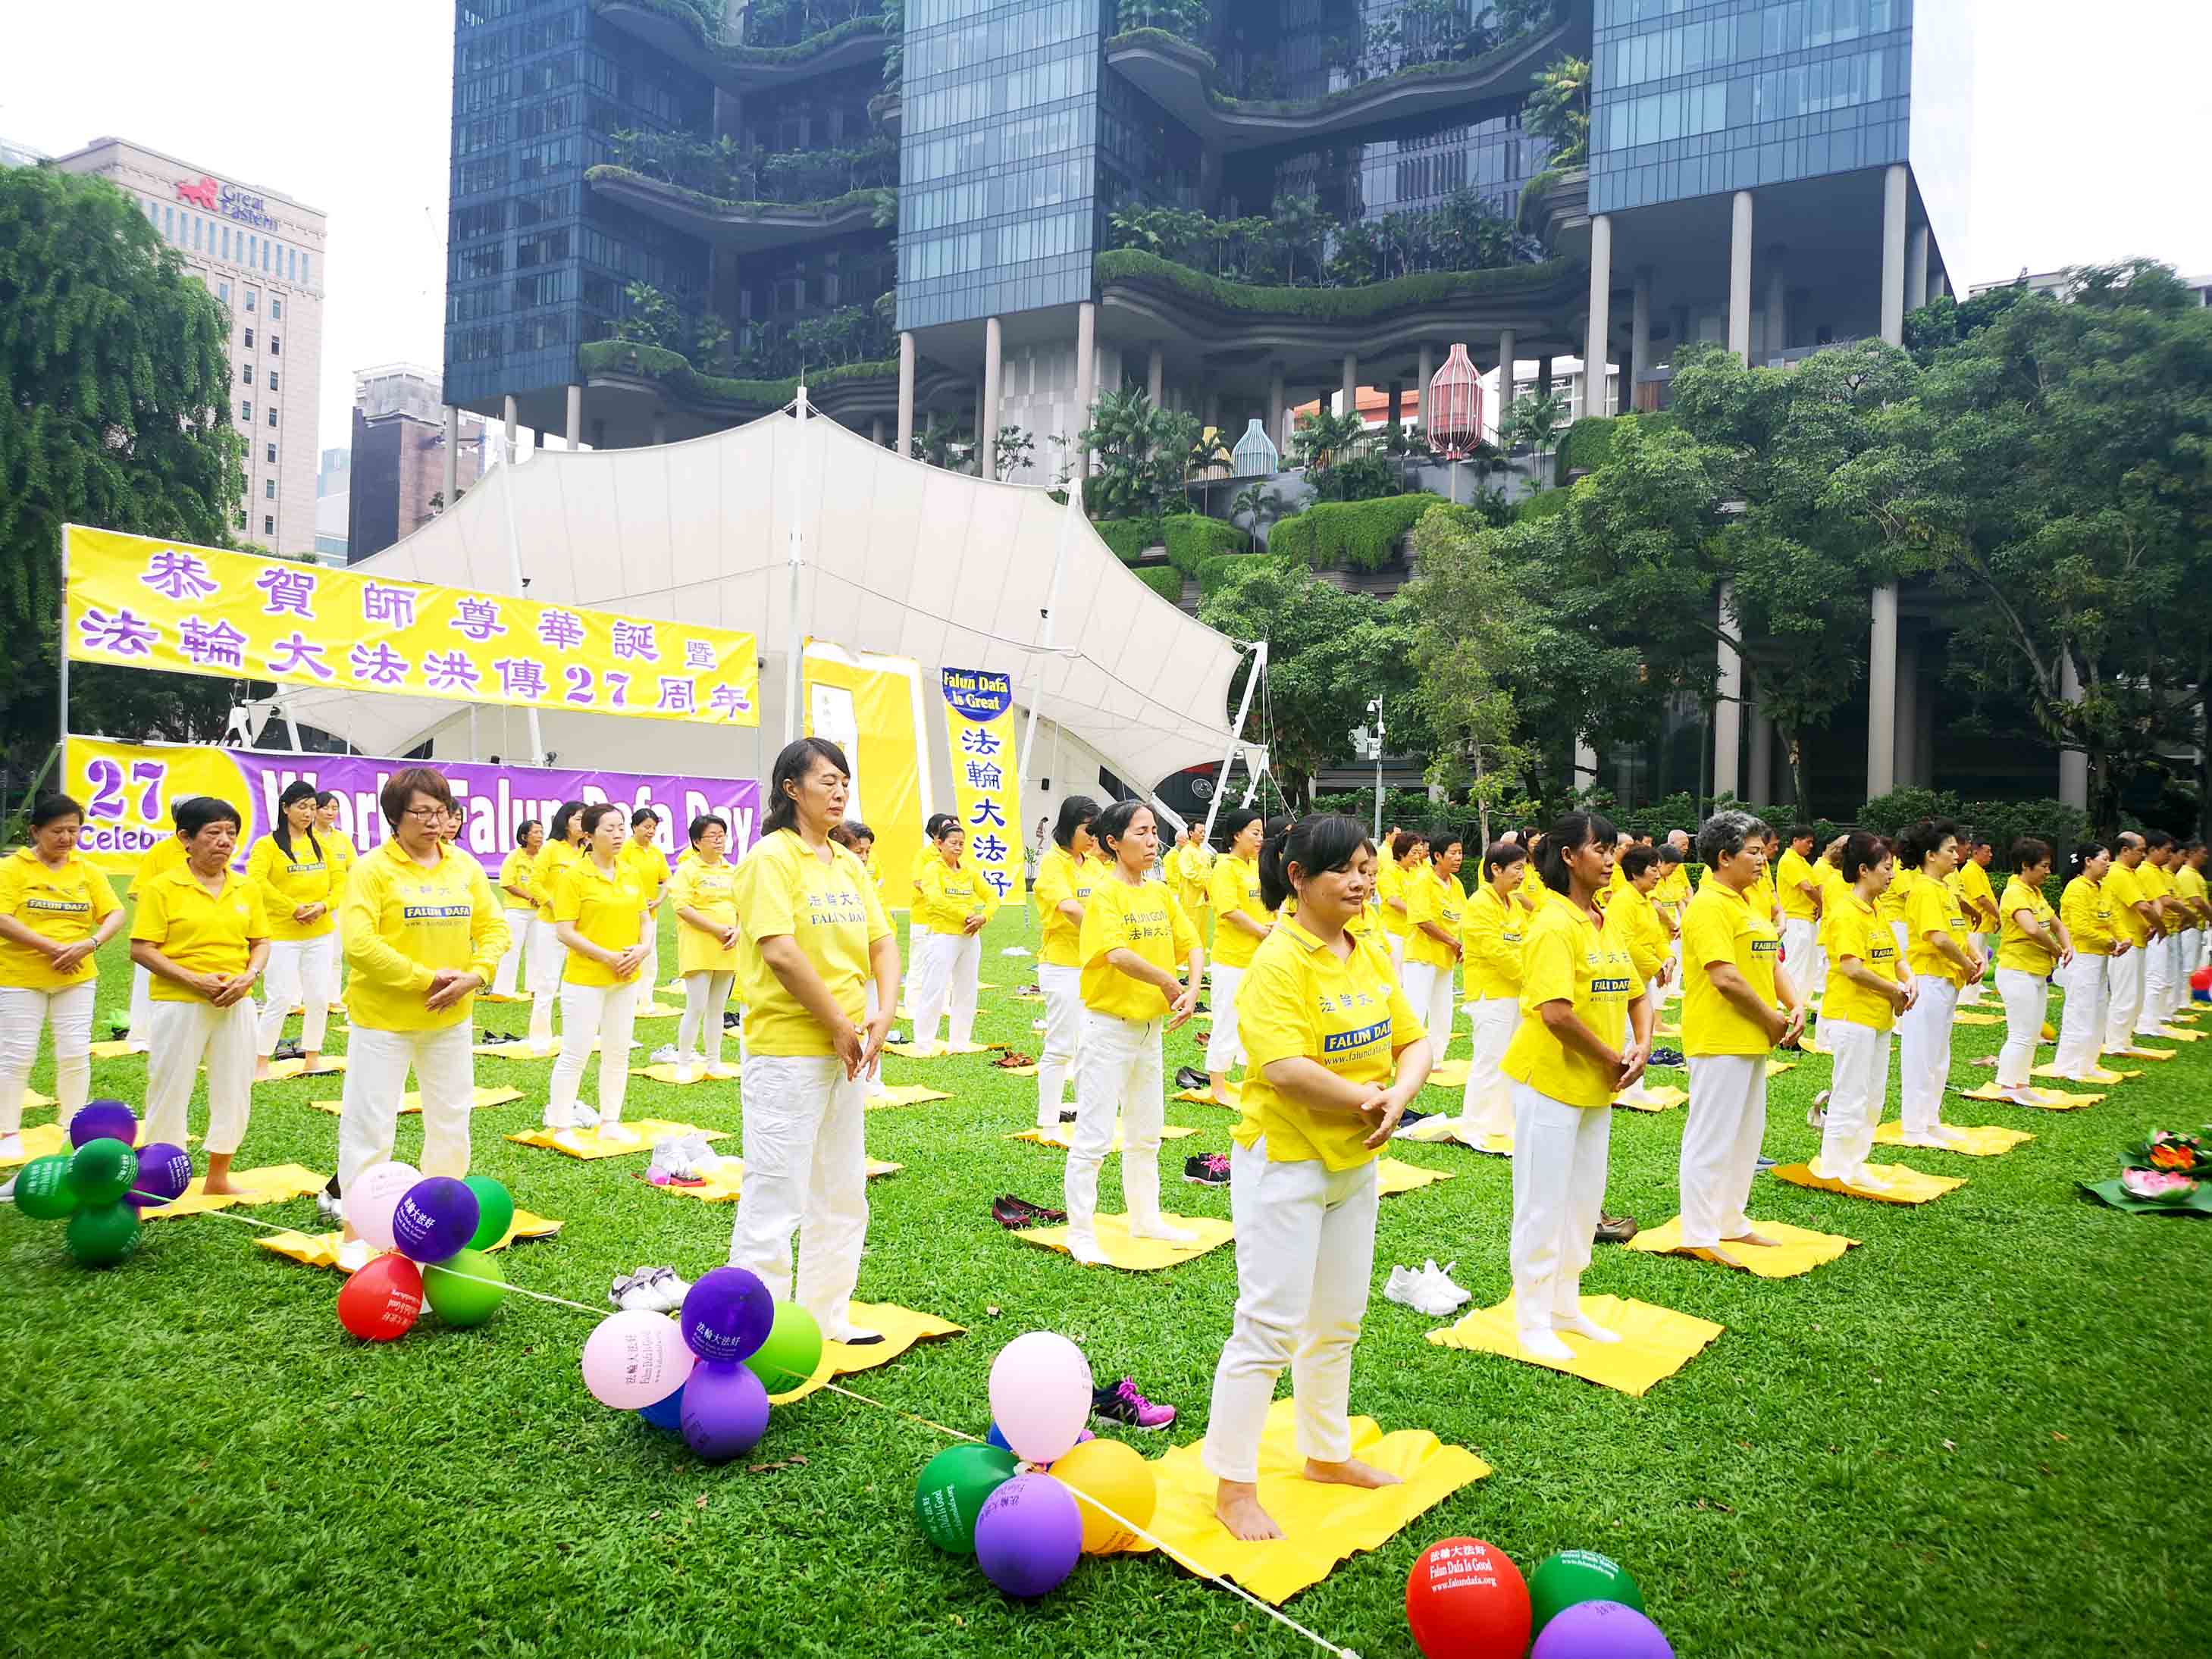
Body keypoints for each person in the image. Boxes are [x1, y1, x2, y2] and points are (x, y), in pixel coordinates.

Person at [1204, 813, 1434, 1542]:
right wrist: (1372, 1099)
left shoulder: (1365, 949)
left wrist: (1398, 1095)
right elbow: (1284, 1069)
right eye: (1346, 869)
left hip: (1356, 1161)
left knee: (1337, 1321)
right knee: (1268, 1326)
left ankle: (1326, 1454)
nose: (1364, 881)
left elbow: (1414, 1039)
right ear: (1298, 877)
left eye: (1370, 866)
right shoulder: (1278, 961)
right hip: (1287, 1161)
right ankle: (1234, 1485)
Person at [727, 737, 900, 1344]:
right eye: (826, 780)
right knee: (775, 1195)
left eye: (844, 781)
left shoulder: (848, 863)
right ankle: (759, 1331)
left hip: (847, 1046)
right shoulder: (769, 859)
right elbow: (779, 950)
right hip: (789, 1049)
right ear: (790, 788)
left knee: (841, 1188)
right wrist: (837, 1022)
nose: (839, 791)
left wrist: (883, 1010)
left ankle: (827, 1313)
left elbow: (882, 941)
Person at [332, 770, 509, 1269]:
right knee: (370, 1124)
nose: (436, 823)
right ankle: (357, 1228)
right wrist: (423, 977)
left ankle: (439, 1223)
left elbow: (494, 926)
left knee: (452, 1121)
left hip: (451, 1018)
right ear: (394, 816)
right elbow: (360, 945)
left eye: (443, 812)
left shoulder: (464, 866)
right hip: (383, 1019)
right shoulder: (372, 870)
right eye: (423, 813)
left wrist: (476, 974)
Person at [1502, 812, 1653, 1358]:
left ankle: (1566, 1304)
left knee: (1583, 1201)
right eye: (1601, 849)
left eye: (1614, 849)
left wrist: (1641, 1045)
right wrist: (1616, 1057)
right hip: (1551, 1081)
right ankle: (1532, 1316)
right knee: (1542, 1201)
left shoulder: (1602, 918)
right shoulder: (1552, 924)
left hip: (1598, 1080)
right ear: (1569, 856)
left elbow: (1637, 992)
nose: (1611, 859)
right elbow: (1556, 1014)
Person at [1065, 800, 1205, 1266]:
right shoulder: (1105, 894)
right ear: (1113, 842)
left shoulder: (1160, 893)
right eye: (1141, 833)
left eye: (1153, 832)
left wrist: (1193, 986)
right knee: (1095, 1136)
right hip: (1108, 1029)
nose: (1152, 841)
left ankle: (1145, 1216)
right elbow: (1116, 954)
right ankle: (1081, 1233)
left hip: (1149, 1031)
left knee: (1146, 1132)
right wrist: (1169, 983)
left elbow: (1192, 943)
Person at [1678, 811, 1803, 1264]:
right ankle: (1699, 1230)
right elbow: (1725, 978)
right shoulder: (1709, 906)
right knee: (1711, 1136)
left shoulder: (1748, 903)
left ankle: (1731, 1220)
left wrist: (1794, 1005)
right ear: (1724, 857)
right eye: (1752, 852)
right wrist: (1771, 1018)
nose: (1762, 860)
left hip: (1753, 1035)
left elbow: (1770, 961)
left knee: (1747, 1135)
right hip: (1720, 1036)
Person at [130, 796, 271, 1197]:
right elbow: (142, 949)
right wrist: (195, 981)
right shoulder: (163, 888)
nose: (225, 841)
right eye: (213, 833)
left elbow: (260, 941)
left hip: (236, 1000)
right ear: (186, 839)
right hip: (180, 1001)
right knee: (169, 1086)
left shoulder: (246, 887)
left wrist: (249, 977)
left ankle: (218, 1176)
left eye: (231, 833)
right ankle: (158, 1176)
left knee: (234, 1086)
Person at [0, 795, 122, 1163]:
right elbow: (4, 919)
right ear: (35, 831)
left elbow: (115, 913)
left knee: (73, 1053)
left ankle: (74, 1128)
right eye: (58, 831)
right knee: (17, 1056)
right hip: (20, 976)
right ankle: (8, 1131)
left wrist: (88, 944)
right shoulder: (13, 868)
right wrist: (54, 948)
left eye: (74, 830)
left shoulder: (86, 870)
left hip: (77, 976)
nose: (67, 838)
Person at [546, 803, 651, 1146]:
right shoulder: (574, 877)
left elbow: (644, 919)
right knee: (576, 1051)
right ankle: (561, 1125)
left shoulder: (631, 872)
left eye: (621, 827)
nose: (618, 834)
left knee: (618, 1051)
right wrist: (607, 957)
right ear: (589, 836)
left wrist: (643, 948)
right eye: (609, 829)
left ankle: (610, 1120)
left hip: (625, 977)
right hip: (586, 978)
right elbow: (566, 931)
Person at [1809, 831, 1910, 1188]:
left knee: (1872, 1097)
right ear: (1864, 870)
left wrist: (1907, 980)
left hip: (1879, 1015)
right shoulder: (1845, 912)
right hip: (1852, 1016)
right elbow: (1852, 968)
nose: (1892, 875)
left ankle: (1856, 1161)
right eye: (1886, 868)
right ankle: (1835, 1166)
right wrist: (1896, 991)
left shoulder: (1876, 909)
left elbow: (1895, 957)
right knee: (1850, 1095)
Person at [1895, 819, 1981, 1149]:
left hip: (1948, 978)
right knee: (1921, 1054)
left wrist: (1974, 954)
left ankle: (1931, 1119)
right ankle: (1914, 1126)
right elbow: (1936, 937)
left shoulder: (1943, 889)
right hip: (1929, 979)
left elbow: (1957, 931)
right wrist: (1968, 963)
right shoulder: (1923, 889)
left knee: (1939, 1054)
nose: (1957, 855)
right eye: (1949, 850)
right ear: (1930, 855)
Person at [247, 780, 340, 1081]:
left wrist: (323, 906)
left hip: (320, 932)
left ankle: (312, 1057)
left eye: (313, 808)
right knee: (281, 997)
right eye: (302, 807)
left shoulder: (322, 845)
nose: (309, 813)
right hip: (282, 934)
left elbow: (342, 883)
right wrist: (292, 908)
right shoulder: (267, 845)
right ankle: (261, 1061)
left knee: (317, 997)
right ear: (285, 808)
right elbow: (257, 882)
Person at [1032, 797, 1101, 1129]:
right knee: (1061, 1045)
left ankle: (1085, 1114)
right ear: (1071, 826)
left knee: (1090, 1045)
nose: (1094, 837)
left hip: (1092, 966)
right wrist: (1106, 931)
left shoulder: (1094, 866)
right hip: (1062, 965)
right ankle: (1048, 1120)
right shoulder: (1052, 863)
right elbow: (1069, 908)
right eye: (1088, 829)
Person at [1991, 838, 2073, 1107]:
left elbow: (2056, 924)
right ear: (2026, 866)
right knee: (2021, 1032)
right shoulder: (2015, 893)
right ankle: (2006, 1085)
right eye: (2044, 866)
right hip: (2017, 970)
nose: (2048, 872)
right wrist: (2056, 949)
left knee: (2033, 1031)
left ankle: (2021, 1083)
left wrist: (2067, 945)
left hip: (2037, 971)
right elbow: (2031, 929)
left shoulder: (2035, 894)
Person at [1457, 840, 1528, 1143]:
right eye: (1517, 869)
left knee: (1510, 1060)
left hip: (1514, 992)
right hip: (1491, 994)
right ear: (1495, 869)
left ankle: (1500, 1122)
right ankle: (1476, 1125)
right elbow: (1495, 951)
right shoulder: (1480, 903)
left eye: (1524, 869)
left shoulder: (1512, 903)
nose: (1522, 875)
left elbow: (1524, 942)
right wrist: (1530, 978)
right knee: (1489, 1060)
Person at [1203, 809, 1270, 1107]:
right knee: (1227, 1019)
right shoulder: (1225, 868)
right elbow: (1228, 910)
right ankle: (1217, 1085)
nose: (1260, 838)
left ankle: (1247, 1080)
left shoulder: (1256, 867)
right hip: (1231, 958)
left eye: (1261, 833)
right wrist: (1259, 930)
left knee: (1254, 1021)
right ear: (1236, 835)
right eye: (1254, 832)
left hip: (1258, 957)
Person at [911, 821, 997, 1051]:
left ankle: (960, 1041)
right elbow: (936, 900)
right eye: (953, 843)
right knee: (934, 988)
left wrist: (984, 917)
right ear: (940, 844)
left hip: (970, 937)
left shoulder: (969, 871)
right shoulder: (932, 869)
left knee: (966, 989)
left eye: (962, 843)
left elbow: (992, 896)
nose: (958, 847)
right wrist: (967, 915)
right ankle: (924, 1041)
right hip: (943, 937)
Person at [669, 813, 741, 1084]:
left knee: (717, 1008)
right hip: (699, 946)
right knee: (696, 1006)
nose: (719, 841)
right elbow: (682, 907)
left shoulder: (731, 870)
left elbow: (741, 906)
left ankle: (714, 1060)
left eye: (722, 835)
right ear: (697, 842)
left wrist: (737, 930)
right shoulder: (688, 870)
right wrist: (716, 929)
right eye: (712, 836)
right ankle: (684, 1061)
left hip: (727, 947)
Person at [1607, 845, 1675, 1107]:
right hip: (1625, 975)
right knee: (1627, 1033)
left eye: (1658, 868)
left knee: (1639, 1033)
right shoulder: (1623, 901)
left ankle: (1634, 1088)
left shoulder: (1645, 901)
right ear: (1635, 873)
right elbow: (1625, 944)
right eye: (1653, 869)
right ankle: (1623, 1087)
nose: (1658, 874)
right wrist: (1656, 966)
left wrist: (1668, 958)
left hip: (1642, 975)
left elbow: (1658, 937)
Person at [828, 820, 886, 1098]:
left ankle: (872, 1078)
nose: (863, 858)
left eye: (867, 852)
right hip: (844, 968)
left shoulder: (866, 882)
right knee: (847, 1022)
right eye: (857, 851)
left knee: (872, 1020)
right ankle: (850, 1076)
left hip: (870, 964)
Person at [2052, 842, 2120, 1081]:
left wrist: (2123, 939)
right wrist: (2108, 941)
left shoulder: (2101, 888)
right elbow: (2080, 928)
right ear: (2088, 861)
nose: (2108, 865)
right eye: (2104, 860)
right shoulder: (2076, 889)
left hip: (2099, 957)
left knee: (2099, 1009)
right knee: (2080, 1010)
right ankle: (2067, 1065)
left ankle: (2087, 1064)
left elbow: (2111, 918)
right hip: (2082, 956)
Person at [121, 818, 188, 1053]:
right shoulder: (161, 852)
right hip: (158, 930)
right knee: (146, 983)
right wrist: (165, 910)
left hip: (190, 933)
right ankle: (140, 1036)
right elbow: (137, 891)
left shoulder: (209, 852)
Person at [525, 801, 587, 1055]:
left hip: (580, 926)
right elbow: (535, 883)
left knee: (579, 982)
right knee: (547, 981)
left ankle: (577, 1035)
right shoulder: (551, 848)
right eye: (577, 819)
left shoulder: (587, 850)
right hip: (551, 924)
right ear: (565, 821)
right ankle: (540, 1037)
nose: (582, 825)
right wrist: (553, 905)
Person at [1401, 829, 1466, 1054]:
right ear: (1438, 856)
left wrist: (1461, 945)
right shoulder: (1422, 880)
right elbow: (1423, 921)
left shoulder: (1456, 883)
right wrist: (1454, 943)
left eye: (1460, 853)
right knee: (1415, 1009)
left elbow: (1463, 917)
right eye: (1454, 853)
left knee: (1442, 1010)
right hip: (1422, 955)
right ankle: (1409, 1056)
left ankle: (1436, 1057)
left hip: (1445, 956)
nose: (1459, 858)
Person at [2101, 831, 2158, 1057]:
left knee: (2135, 994)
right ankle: (2115, 1042)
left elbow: (2144, 906)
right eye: (2140, 850)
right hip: (2125, 942)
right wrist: (2159, 925)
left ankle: (2123, 1039)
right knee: (2125, 994)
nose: (2143, 855)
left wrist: (2150, 925)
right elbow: (2142, 906)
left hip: (2137, 939)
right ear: (2125, 850)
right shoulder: (2119, 873)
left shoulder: (2131, 873)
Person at [621, 807, 673, 995]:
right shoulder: (624, 850)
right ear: (634, 827)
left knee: (649, 955)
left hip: (650, 912)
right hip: (626, 911)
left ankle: (645, 999)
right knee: (628, 952)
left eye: (654, 827)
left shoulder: (656, 852)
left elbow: (667, 879)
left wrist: (659, 900)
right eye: (646, 827)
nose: (650, 831)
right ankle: (628, 994)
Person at [491, 820, 543, 998]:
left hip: (539, 911)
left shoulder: (543, 857)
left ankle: (535, 989)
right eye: (535, 832)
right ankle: (503, 990)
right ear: (524, 837)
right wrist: (529, 896)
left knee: (537, 950)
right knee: (511, 949)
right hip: (517, 910)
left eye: (541, 832)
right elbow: (506, 883)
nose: (540, 836)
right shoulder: (514, 856)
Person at [1950, 835, 2001, 1006]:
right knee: (1975, 960)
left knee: (1982, 959)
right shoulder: (1970, 870)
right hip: (1973, 924)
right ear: (1976, 852)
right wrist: (1998, 915)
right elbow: (1981, 899)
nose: (1990, 855)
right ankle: (1967, 997)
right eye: (1987, 852)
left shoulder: (1978, 870)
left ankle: (1973, 995)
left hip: (1982, 923)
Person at [2137, 832, 2179, 1030]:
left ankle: (2153, 1020)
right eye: (2167, 851)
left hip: (2160, 929)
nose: (2170, 856)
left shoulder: (2157, 871)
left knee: (2160, 977)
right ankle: (2147, 1023)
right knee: (2155, 977)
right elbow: (2162, 901)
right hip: (2152, 932)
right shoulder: (2147, 870)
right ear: (2153, 850)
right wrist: (2157, 924)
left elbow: (2159, 901)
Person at [1775, 826, 1822, 1002]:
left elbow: (1816, 886)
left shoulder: (1802, 862)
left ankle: (1800, 999)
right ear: (1795, 841)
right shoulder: (1789, 860)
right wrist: (1821, 904)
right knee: (1795, 960)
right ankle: (1784, 999)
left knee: (1808, 963)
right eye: (1807, 841)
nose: (1811, 846)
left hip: (1807, 917)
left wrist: (1818, 904)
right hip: (1795, 917)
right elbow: (1807, 887)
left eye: (1812, 842)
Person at [1374, 831, 1424, 981]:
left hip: (1415, 935)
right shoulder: (1389, 873)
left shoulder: (1418, 872)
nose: (1417, 857)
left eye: (1419, 853)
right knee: (1397, 978)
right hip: (1395, 933)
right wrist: (1420, 915)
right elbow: (1393, 901)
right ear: (1402, 853)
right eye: (1414, 853)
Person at [1168, 821, 1215, 940]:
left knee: (1202, 935)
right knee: (1190, 934)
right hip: (1191, 899)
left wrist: (1209, 888)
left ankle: (1200, 957)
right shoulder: (1186, 852)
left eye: (1204, 832)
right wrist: (1205, 885)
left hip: (1204, 899)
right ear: (1191, 833)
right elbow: (1189, 873)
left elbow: (1209, 873)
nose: (1203, 834)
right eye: (1200, 832)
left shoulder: (1204, 853)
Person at [2176, 840, 2210, 984]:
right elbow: (2197, 902)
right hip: (2189, 926)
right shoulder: (2186, 874)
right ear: (2191, 853)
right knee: (2187, 966)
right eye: (2203, 853)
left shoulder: (2195, 874)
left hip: (2197, 925)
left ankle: (2187, 998)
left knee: (2193, 965)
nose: (2206, 856)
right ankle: (2182, 1000)